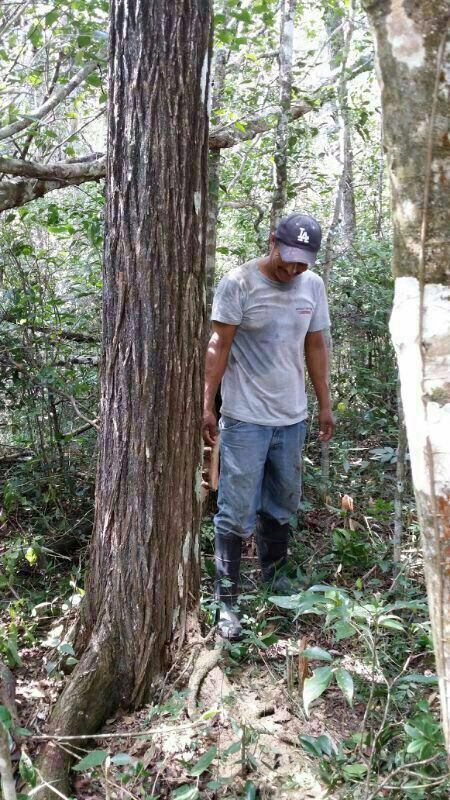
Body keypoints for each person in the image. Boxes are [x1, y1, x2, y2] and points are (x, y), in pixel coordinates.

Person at [202, 212, 335, 640]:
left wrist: (324, 404)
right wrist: (207, 405)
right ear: (271, 241)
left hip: (291, 418)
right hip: (245, 420)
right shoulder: (239, 283)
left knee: (282, 503)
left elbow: (315, 345)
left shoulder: (312, 287)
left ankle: (276, 581)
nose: (293, 268)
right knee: (235, 510)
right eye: (288, 257)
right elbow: (218, 346)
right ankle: (227, 600)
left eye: (303, 261)